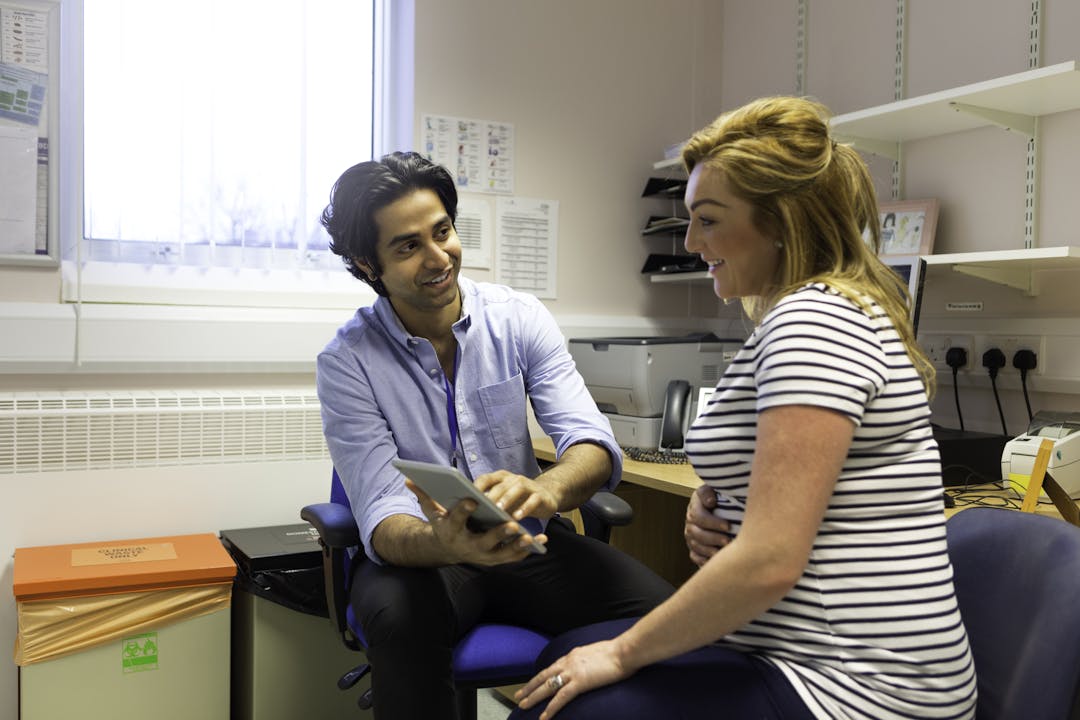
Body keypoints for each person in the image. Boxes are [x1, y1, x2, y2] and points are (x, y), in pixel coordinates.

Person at [511, 96, 977, 720]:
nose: (690, 239)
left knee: (574, 698)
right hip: (790, 652)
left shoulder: (815, 323)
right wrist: (722, 508)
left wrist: (623, 655)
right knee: (567, 657)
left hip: (860, 688)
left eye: (707, 219)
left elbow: (772, 559)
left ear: (781, 221)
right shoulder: (805, 314)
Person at [316, 151, 674, 719]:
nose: (439, 259)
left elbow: (589, 441)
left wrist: (551, 490)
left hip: (526, 543)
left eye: (443, 232)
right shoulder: (347, 362)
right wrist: (443, 543)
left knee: (667, 621)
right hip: (421, 560)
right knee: (403, 625)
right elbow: (382, 513)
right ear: (368, 264)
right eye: (408, 246)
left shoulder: (519, 318)